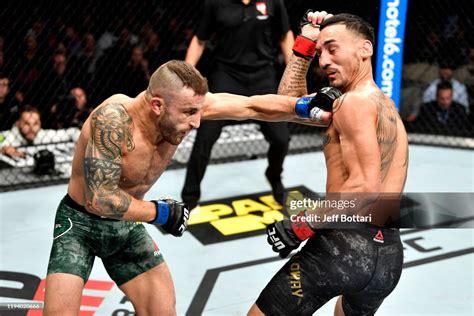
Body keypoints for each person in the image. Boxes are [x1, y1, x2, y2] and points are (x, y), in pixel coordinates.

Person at [43, 60, 338, 315]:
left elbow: (252, 105)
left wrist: (304, 107)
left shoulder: (183, 108)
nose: (197, 122)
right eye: (188, 113)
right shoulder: (113, 121)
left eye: (198, 110)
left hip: (124, 225)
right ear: (157, 105)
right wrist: (159, 213)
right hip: (79, 226)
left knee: (163, 312)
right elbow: (99, 199)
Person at [250, 12, 408, 315]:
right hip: (387, 257)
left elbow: (365, 188)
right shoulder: (384, 105)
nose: (323, 61)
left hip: (343, 246)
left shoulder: (352, 104)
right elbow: (289, 104)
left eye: (332, 49)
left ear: (365, 49)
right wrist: (308, 39)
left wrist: (301, 226)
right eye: (319, 52)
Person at [181, 0, 295, 208]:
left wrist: (294, 70)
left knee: (281, 138)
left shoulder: (273, 2)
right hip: (227, 75)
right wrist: (186, 75)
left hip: (263, 76)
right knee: (205, 137)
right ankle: (189, 198)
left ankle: (274, 175)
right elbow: (199, 39)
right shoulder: (216, 3)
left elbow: (286, 33)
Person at [0, 105, 79, 158]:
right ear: (18, 123)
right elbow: (3, 140)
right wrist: (4, 148)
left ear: (40, 124)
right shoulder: (9, 135)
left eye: (35, 124)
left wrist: (81, 140)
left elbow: (72, 132)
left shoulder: (43, 134)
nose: (31, 128)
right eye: (27, 124)